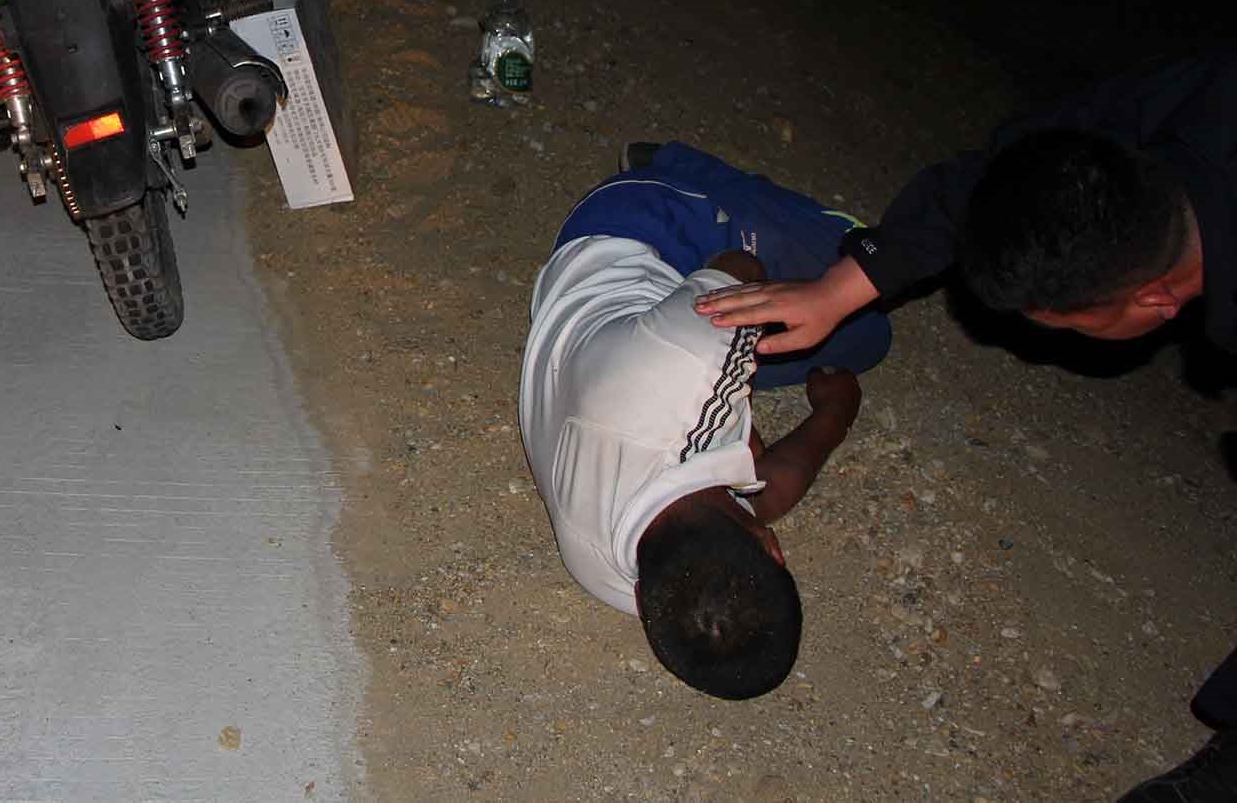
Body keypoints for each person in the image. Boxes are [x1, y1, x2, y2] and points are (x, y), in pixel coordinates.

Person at [689, 46, 1235, 800]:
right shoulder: (1193, 100)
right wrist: (842, 286)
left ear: (1156, 301)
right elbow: (1004, 171)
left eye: (1067, 323)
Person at [519, 144, 886, 698]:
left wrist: (759, 409)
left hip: (628, 228)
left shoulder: (692, 368)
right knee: (865, 337)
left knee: (863, 300)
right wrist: (833, 416)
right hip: (597, 355)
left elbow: (742, 270)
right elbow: (761, 496)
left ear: (775, 549)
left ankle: (666, 162)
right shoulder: (612, 574)